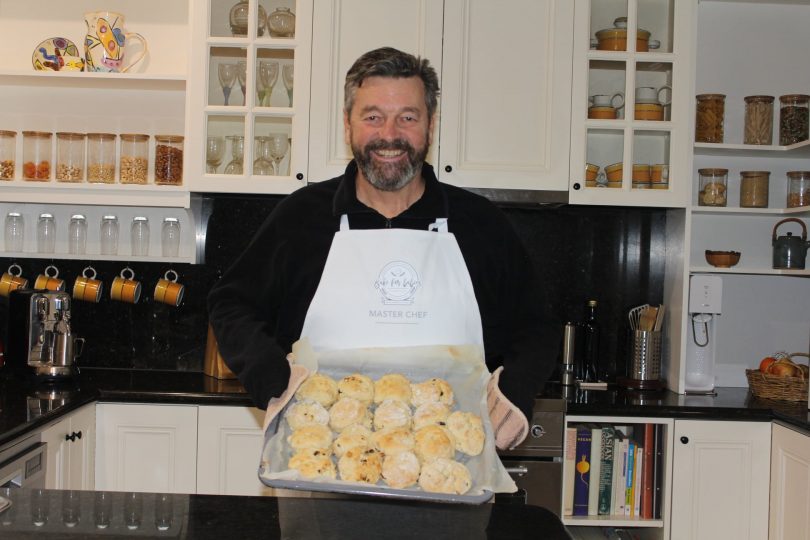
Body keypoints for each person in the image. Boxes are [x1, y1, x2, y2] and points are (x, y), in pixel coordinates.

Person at [207, 47, 557, 448]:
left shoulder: (481, 224)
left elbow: (536, 325)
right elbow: (231, 302)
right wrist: (272, 379)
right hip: (319, 462)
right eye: (373, 117)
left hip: (452, 465)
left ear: (430, 124)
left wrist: (516, 388)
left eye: (407, 118)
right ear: (348, 124)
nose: (390, 135)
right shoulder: (300, 218)